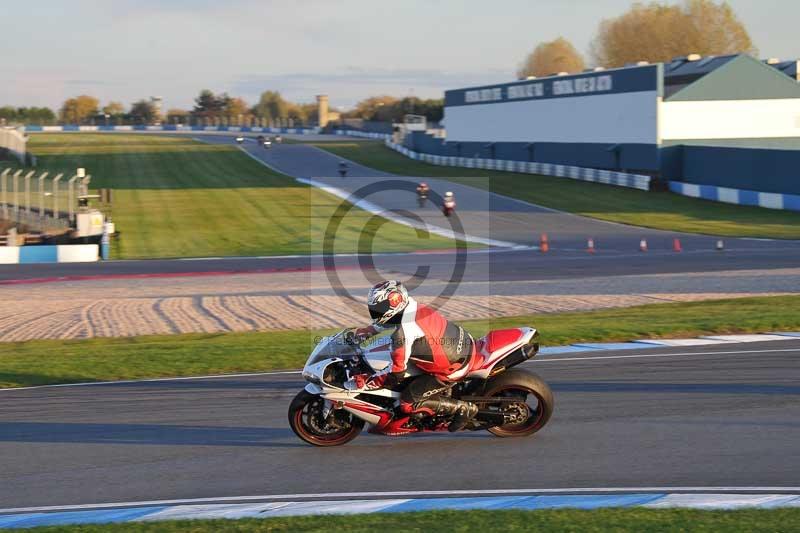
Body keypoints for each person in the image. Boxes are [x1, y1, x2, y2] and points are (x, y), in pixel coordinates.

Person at [347, 280, 479, 432]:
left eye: (380, 308)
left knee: (406, 403)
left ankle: (463, 409)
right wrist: (363, 333)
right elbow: (386, 321)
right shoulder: (409, 306)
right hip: (458, 346)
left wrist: (367, 380)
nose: (376, 312)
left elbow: (397, 372)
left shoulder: (403, 332)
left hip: (452, 368)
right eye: (375, 308)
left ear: (394, 303)